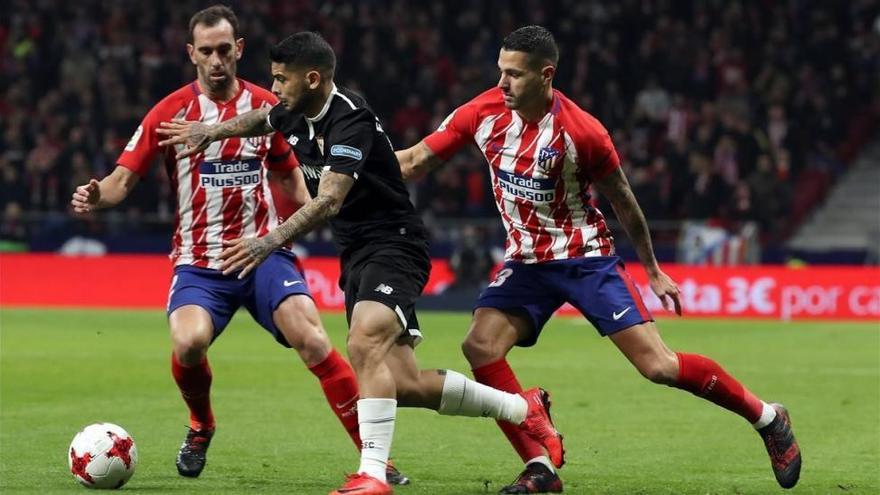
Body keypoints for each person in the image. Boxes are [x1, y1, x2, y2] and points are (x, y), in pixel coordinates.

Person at [395, 26, 801, 494]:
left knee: (660, 367)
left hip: (586, 259)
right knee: (480, 347)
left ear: (546, 75)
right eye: (500, 72)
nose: (502, 84)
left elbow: (624, 202)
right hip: (528, 263)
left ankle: (768, 418)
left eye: (514, 75)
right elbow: (414, 161)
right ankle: (540, 468)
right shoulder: (481, 112)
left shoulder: (582, 132)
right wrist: (353, 162)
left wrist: (651, 269)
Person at [156, 31, 564, 495]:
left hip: (394, 244)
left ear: (312, 79)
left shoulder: (350, 121)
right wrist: (212, 130)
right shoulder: (294, 108)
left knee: (364, 339)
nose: (276, 87)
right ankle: (522, 408)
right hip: (358, 252)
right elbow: (262, 119)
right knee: (403, 385)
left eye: (281, 79)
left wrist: (267, 241)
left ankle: (372, 474)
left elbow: (328, 200)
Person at [70, 6, 410, 485]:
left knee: (312, 339)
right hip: (200, 261)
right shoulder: (170, 113)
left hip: (265, 255)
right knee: (188, 343)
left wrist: (323, 213)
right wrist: (95, 195)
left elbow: (294, 178)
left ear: (239, 50)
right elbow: (122, 180)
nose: (216, 60)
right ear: (191, 53)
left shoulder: (271, 107)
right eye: (205, 51)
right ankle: (201, 424)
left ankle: (374, 459)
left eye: (224, 50)